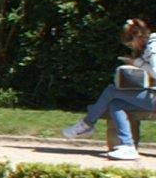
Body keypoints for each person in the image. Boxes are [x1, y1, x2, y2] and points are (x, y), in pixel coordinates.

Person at [62, 17, 156, 161]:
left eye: (131, 44)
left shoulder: (153, 45)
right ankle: (128, 146)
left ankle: (87, 124)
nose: (132, 47)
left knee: (112, 91)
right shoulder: (149, 45)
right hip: (152, 96)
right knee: (115, 104)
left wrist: (136, 62)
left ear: (137, 36)